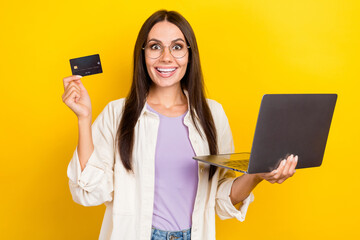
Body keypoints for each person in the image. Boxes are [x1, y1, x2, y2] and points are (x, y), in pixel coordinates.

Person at [62, 10, 297, 240]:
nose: (166, 57)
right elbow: (88, 192)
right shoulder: (118, 113)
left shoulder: (212, 114)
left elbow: (221, 198)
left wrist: (256, 175)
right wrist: (84, 118)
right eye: (155, 46)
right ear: (142, 54)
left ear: (189, 54)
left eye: (177, 47)